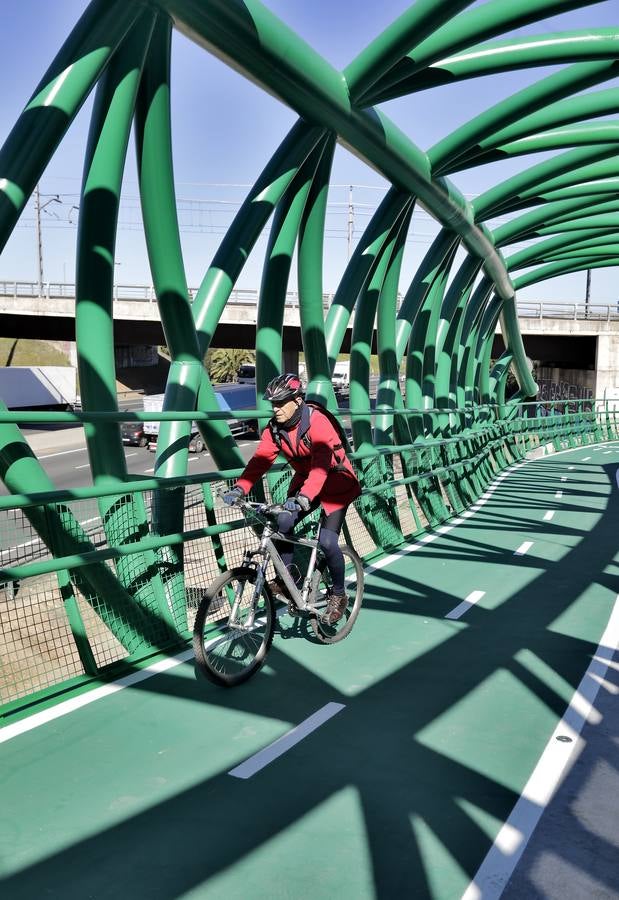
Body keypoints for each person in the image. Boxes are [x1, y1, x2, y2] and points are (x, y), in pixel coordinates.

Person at [223, 373, 361, 625]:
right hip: (306, 481)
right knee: (283, 521)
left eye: (280, 403)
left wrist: (304, 497)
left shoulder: (318, 422)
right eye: (272, 404)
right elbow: (260, 461)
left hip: (335, 483)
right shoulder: (274, 429)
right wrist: (240, 489)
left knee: (327, 541)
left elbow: (321, 465)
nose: (275, 409)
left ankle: (339, 595)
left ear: (297, 401)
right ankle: (290, 582)